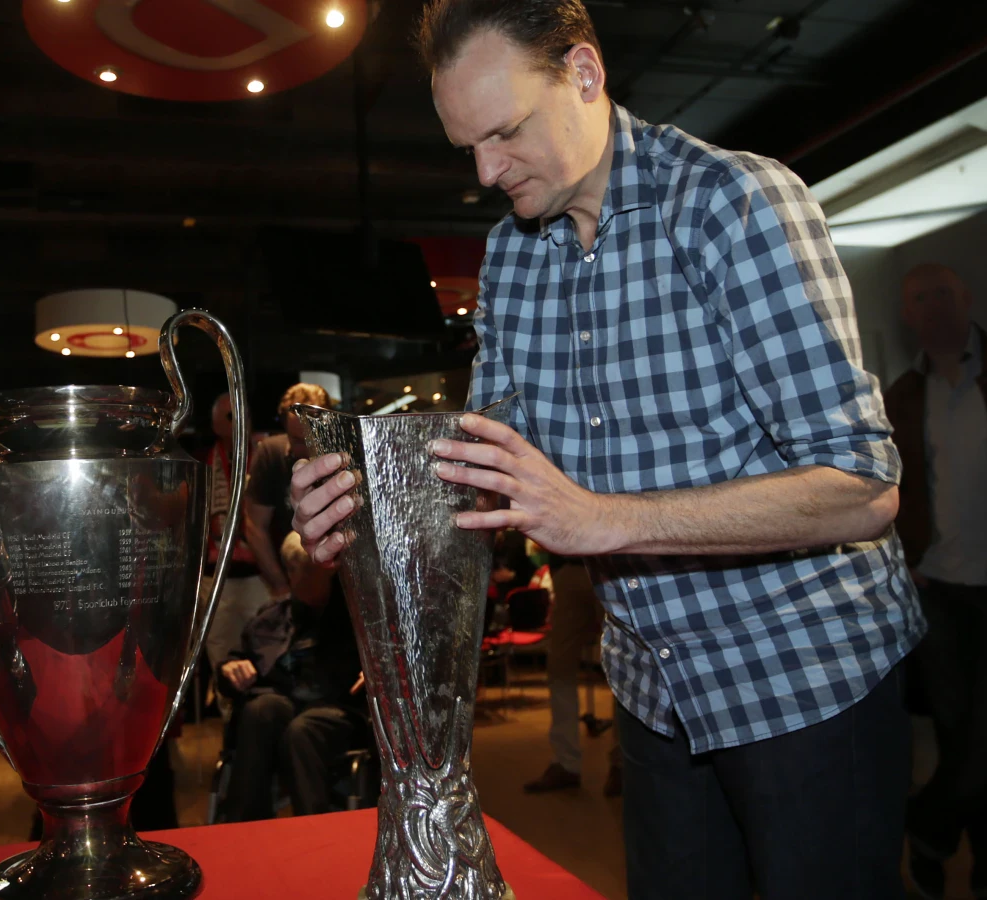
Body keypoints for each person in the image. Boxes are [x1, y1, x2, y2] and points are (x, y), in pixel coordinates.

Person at [290, 3, 924, 898]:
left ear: (583, 76)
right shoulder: (512, 258)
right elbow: (477, 470)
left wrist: (598, 519)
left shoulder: (732, 203)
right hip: (655, 691)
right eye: (465, 146)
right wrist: (358, 508)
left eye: (504, 132)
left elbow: (864, 485)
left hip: (804, 680)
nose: (485, 171)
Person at [885, 263, 987, 899]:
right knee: (961, 733)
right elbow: (885, 490)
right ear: (908, 315)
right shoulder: (901, 396)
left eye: (942, 294)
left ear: (967, 299)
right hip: (941, 589)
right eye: (920, 299)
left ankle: (927, 827)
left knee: (981, 738)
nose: (933, 307)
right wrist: (907, 560)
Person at [217, 530, 365, 822]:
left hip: (335, 708)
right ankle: (245, 825)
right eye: (304, 568)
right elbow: (235, 662)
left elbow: (389, 661)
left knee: (303, 730)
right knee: (262, 710)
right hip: (278, 702)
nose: (316, 576)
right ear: (291, 571)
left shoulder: (356, 619)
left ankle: (314, 826)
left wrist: (376, 673)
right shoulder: (269, 618)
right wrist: (229, 670)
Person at [524, 551, 622, 797]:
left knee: (623, 669)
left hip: (614, 564)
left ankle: (623, 763)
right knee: (559, 666)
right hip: (572, 565)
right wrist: (559, 570)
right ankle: (565, 763)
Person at [200, 392, 266, 715]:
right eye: (229, 416)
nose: (239, 421)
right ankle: (231, 732)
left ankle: (257, 724)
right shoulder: (204, 460)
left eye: (243, 413)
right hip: (218, 582)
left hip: (259, 577)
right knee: (222, 660)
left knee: (264, 658)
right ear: (214, 424)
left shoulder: (264, 454)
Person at [244, 384, 332, 607]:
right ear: (284, 426)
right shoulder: (270, 453)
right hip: (288, 580)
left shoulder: (341, 455)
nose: (303, 449)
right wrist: (280, 584)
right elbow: (254, 526)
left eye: (311, 439)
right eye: (296, 439)